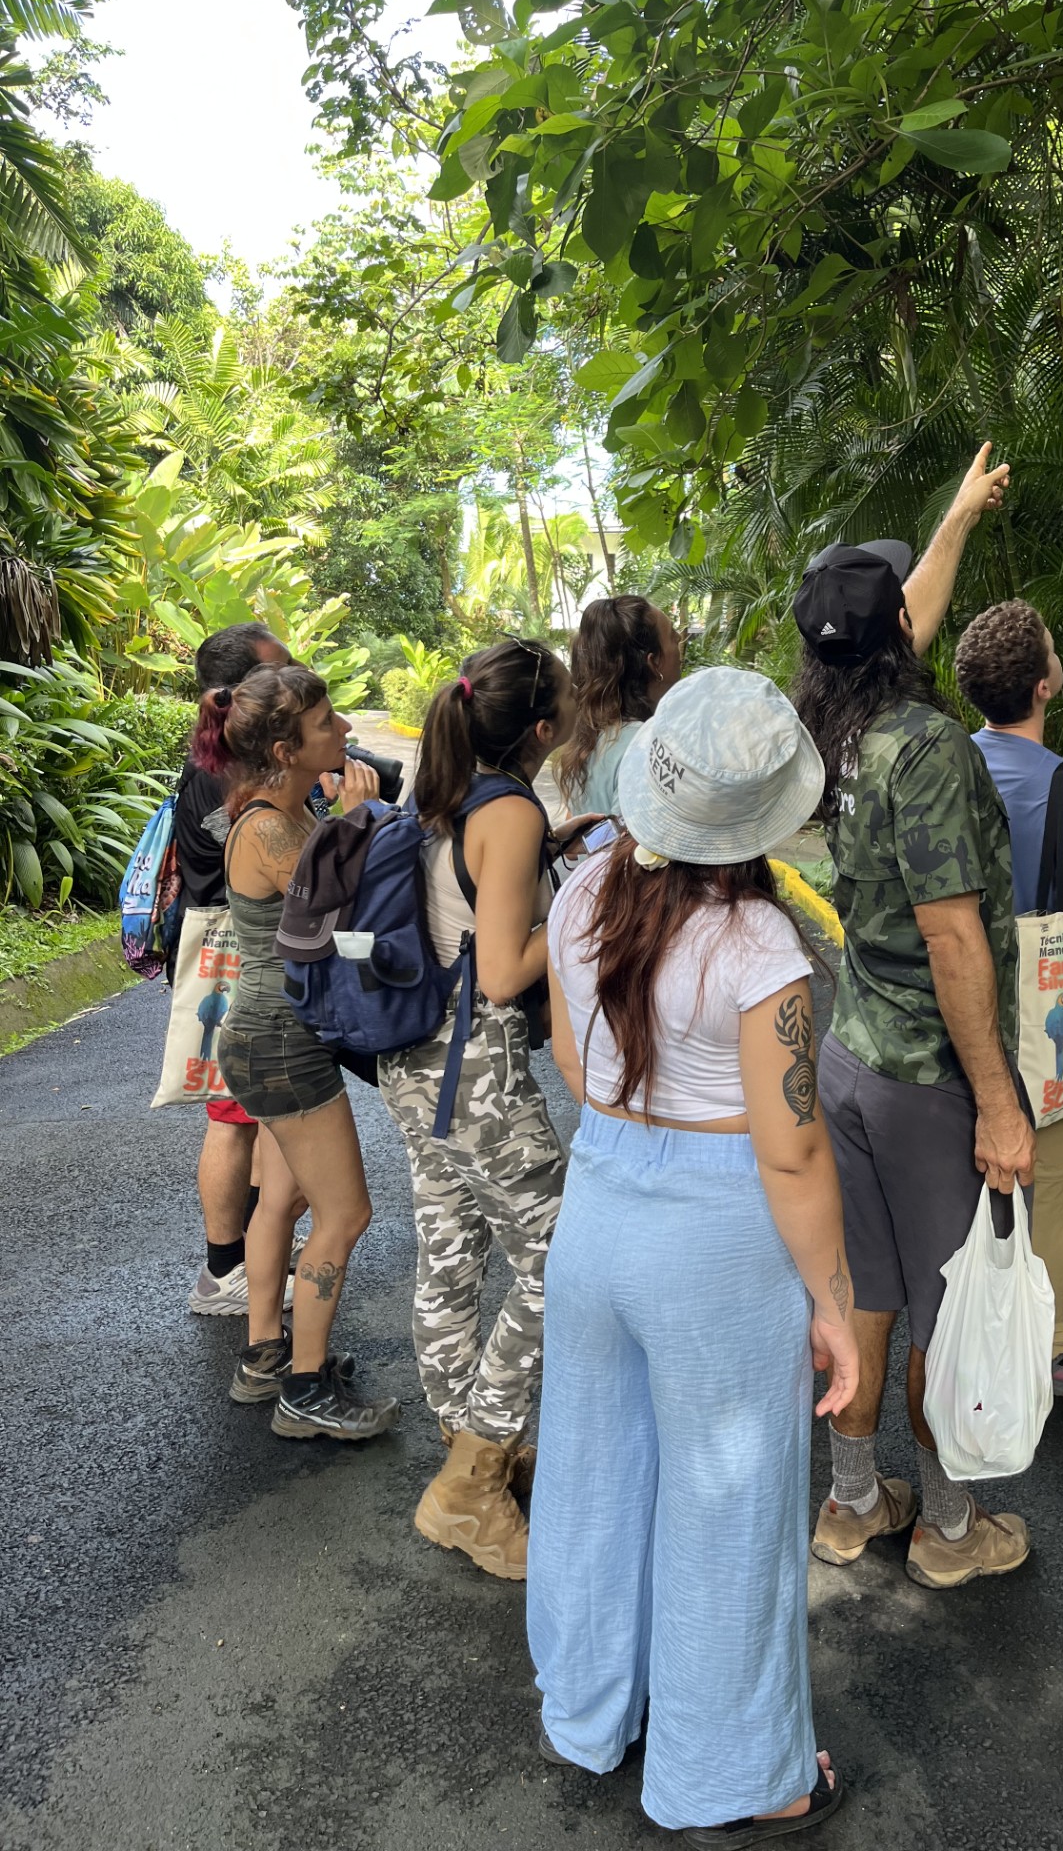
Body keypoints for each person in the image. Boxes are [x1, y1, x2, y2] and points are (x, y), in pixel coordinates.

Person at [529, 667, 860, 1846]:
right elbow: (793, 1155)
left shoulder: (582, 900)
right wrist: (832, 1302)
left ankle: (592, 1709)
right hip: (720, 1244)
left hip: (602, 1209)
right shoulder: (759, 941)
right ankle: (738, 1772)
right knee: (734, 1505)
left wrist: (647, 1125)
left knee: (596, 1474)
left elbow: (575, 1072)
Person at [790, 443, 1038, 1592]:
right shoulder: (927, 748)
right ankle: (947, 1529)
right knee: (945, 1305)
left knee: (868, 1290)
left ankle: (852, 1507)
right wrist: (995, 1101)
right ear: (896, 635)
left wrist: (954, 521)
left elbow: (903, 617)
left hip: (849, 1058)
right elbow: (953, 935)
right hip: (927, 1080)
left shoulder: (829, 733)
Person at [378, 637, 593, 1580]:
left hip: (414, 1059)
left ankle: (472, 1452)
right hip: (474, 1069)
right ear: (543, 730)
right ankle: (474, 1472)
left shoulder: (442, 787)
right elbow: (504, 971)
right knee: (565, 1259)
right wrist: (582, 898)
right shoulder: (506, 811)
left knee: (451, 1250)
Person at [194, 661, 398, 1440]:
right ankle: (306, 1389)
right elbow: (345, 919)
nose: (345, 732)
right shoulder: (272, 829)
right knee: (347, 1214)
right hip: (280, 1041)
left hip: (269, 1036)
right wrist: (360, 823)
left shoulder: (286, 812)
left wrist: (342, 821)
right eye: (326, 724)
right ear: (284, 749)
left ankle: (265, 1358)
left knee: (282, 1199)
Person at [957, 598, 1063, 1399]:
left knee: (959, 1172)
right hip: (1043, 1009)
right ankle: (1048, 1349)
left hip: (951, 1000)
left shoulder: (946, 763)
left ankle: (956, 1335)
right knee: (1051, 1180)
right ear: (1043, 687)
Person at [174, 623, 291, 1317]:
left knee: (253, 1113)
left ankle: (251, 1249)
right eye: (276, 675)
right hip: (232, 959)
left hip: (241, 954)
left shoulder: (226, 759)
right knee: (234, 1114)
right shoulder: (220, 775)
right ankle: (223, 1271)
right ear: (236, 693)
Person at [553, 595, 684, 817]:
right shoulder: (645, 745)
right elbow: (628, 844)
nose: (680, 638)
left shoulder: (593, 733)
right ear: (653, 663)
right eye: (672, 636)